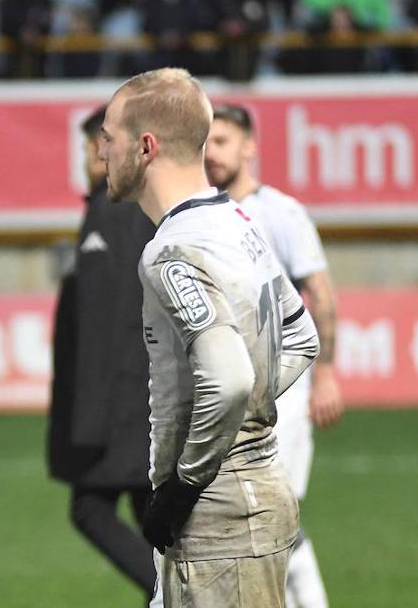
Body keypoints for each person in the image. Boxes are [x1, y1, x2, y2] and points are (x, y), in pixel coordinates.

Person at [98, 68, 319, 608]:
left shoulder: (173, 250)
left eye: (109, 138)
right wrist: (245, 417)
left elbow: (230, 379)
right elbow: (301, 334)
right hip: (246, 498)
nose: (101, 152)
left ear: (145, 147)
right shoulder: (235, 223)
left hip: (219, 515)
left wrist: (182, 487)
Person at [205, 103, 345, 608]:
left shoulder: (280, 212)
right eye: (205, 143)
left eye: (222, 141)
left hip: (283, 388)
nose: (212, 153)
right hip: (227, 390)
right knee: (241, 516)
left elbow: (321, 295)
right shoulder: (205, 216)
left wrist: (325, 374)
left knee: (275, 512)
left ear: (248, 146)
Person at [48, 106, 159, 602]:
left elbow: (105, 324)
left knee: (89, 508)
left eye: (97, 142)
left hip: (120, 403)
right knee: (155, 520)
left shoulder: (110, 210)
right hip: (142, 398)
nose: (90, 153)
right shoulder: (141, 208)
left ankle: (171, 595)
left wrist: (87, 420)